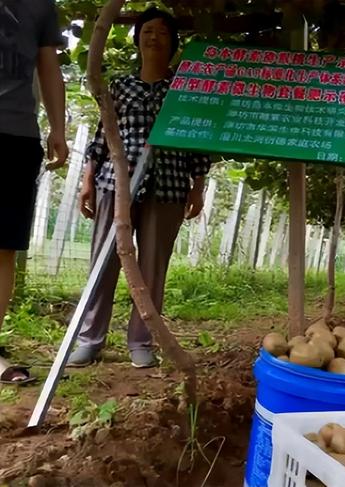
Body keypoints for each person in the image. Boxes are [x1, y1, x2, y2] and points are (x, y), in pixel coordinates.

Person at [68, 8, 212, 368]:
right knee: (102, 262)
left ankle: (141, 341)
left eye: (163, 32)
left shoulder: (184, 91)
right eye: (147, 30)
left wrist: (198, 186)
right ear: (137, 39)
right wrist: (88, 180)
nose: (154, 37)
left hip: (169, 184)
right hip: (115, 183)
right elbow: (104, 135)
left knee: (152, 267)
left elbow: (196, 142)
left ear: (174, 43)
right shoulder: (118, 86)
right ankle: (89, 338)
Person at [0, 0, 68, 383]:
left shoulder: (40, 5)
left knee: (3, 246)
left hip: (17, 134)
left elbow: (48, 65)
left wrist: (57, 128)